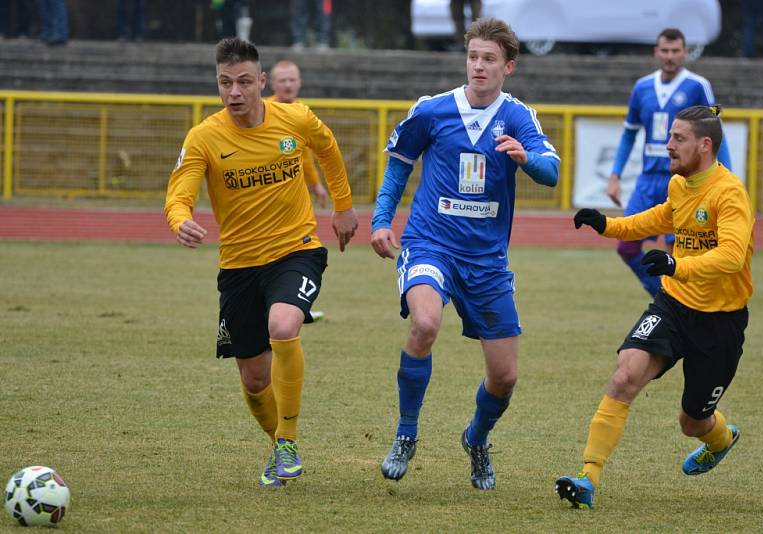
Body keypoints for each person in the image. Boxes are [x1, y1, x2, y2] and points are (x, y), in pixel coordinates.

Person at [371, 18, 560, 490]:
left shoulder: (517, 117)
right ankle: (406, 433)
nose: (479, 65)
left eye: (489, 59)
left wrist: (526, 159)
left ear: (508, 66)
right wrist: (380, 220)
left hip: (486, 261)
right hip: (430, 244)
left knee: (505, 377)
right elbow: (398, 167)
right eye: (473, 56)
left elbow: (552, 171)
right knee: (425, 323)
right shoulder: (432, 110)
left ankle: (476, 438)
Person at [164, 37, 358, 488]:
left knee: (284, 326)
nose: (235, 92)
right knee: (254, 380)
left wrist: (344, 206)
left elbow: (327, 148)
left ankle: (287, 442)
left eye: (244, 82)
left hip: (296, 250)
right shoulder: (204, 137)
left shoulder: (295, 118)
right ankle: (279, 445)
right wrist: (180, 220)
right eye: (225, 83)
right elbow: (179, 192)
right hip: (238, 267)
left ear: (262, 82)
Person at [557, 105, 754, 509]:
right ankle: (587, 478)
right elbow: (661, 218)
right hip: (674, 306)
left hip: (721, 324)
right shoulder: (680, 186)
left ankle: (720, 438)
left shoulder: (730, 192)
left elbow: (733, 256)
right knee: (624, 376)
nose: (668, 145)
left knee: (691, 421)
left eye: (678, 138)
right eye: (669, 137)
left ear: (705, 144)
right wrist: (608, 225)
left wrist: (676, 264)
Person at [607, 28, 731, 298]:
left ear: (685, 52)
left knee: (680, 252)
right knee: (626, 247)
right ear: (656, 52)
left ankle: (682, 306)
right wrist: (615, 175)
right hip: (647, 180)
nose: (670, 56)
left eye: (676, 51)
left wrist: (727, 177)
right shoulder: (642, 88)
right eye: (665, 50)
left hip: (684, 182)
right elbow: (629, 133)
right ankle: (666, 296)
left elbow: (717, 135)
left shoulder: (698, 86)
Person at [269, 59, 330, 322]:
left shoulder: (301, 113)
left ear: (300, 82)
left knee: (301, 246)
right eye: (282, 80)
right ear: (271, 84)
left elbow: (306, 156)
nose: (288, 84)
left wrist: (316, 184)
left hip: (294, 198)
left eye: (292, 79)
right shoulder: (263, 111)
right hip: (268, 197)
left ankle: (296, 303)